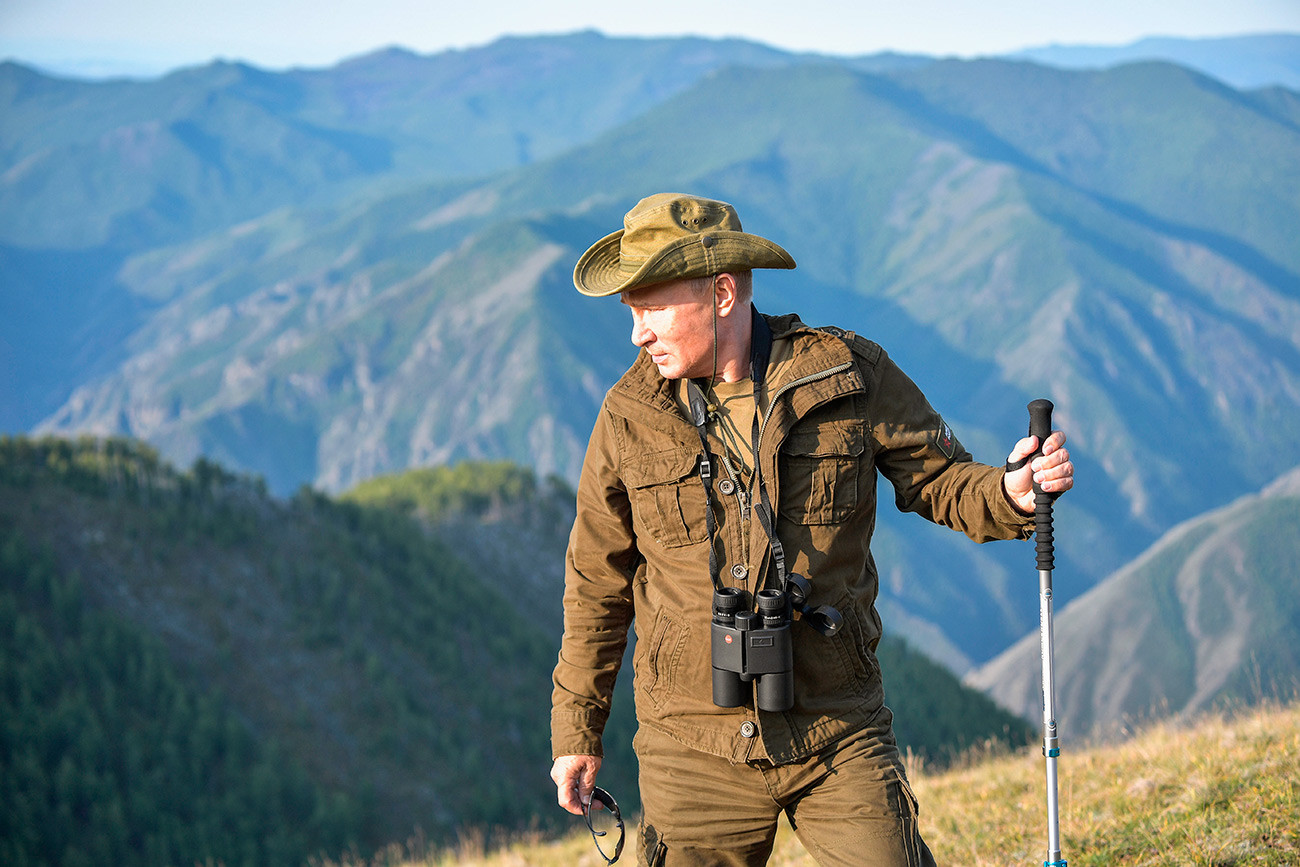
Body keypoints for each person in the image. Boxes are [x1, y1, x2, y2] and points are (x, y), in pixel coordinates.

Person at [550, 193, 1074, 866]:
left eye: (652, 307)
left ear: (722, 291)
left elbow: (941, 480)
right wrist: (577, 729)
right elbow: (595, 583)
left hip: (835, 726)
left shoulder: (847, 375)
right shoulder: (629, 415)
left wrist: (1011, 489)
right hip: (690, 747)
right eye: (631, 311)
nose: (637, 333)